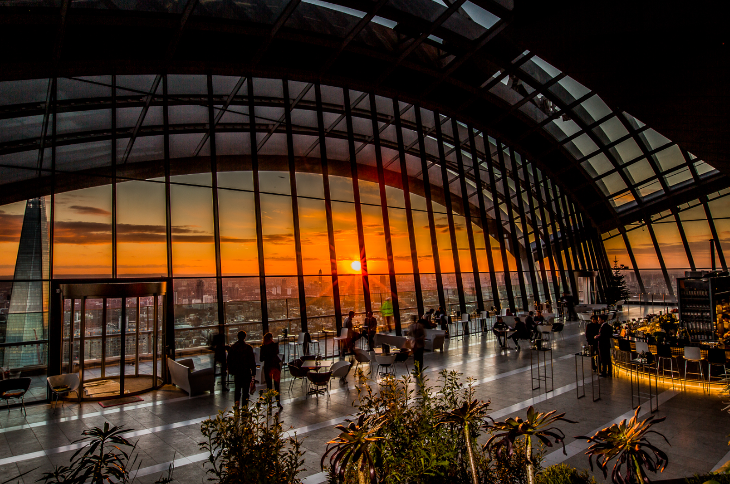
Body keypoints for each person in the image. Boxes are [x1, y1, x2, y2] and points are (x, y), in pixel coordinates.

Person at [227, 330, 257, 407]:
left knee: (237, 390)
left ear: (237, 337)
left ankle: (236, 405)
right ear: (245, 337)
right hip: (246, 372)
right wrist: (253, 372)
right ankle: (244, 406)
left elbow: (229, 360)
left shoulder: (233, 348)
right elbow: (252, 361)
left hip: (237, 372)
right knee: (245, 391)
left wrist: (231, 370)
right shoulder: (248, 348)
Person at [260, 332, 283, 409]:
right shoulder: (274, 345)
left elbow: (261, 359)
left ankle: (269, 403)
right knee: (277, 385)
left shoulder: (263, 347)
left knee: (269, 386)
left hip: (268, 366)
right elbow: (277, 353)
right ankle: (278, 402)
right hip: (275, 366)